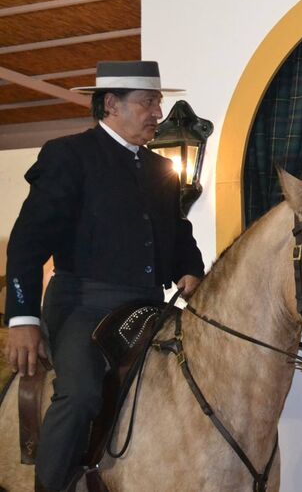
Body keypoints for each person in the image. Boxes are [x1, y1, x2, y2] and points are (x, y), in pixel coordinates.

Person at [3, 61, 205, 492]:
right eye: (148, 102)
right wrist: (22, 319)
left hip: (149, 307)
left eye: (158, 102)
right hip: (82, 307)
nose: (158, 113)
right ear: (111, 104)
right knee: (80, 395)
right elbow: (27, 243)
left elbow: (176, 232)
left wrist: (190, 268)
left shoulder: (161, 170)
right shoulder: (68, 155)